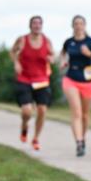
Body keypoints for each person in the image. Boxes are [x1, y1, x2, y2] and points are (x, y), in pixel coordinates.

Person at [59, 15, 91, 156]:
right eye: (76, 24)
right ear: (73, 26)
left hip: (88, 81)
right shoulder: (69, 42)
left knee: (84, 115)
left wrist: (89, 53)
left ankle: (83, 139)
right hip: (71, 79)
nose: (78, 26)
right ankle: (78, 142)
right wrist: (63, 62)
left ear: (85, 26)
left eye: (81, 23)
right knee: (76, 113)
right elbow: (62, 54)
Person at [11, 16, 55, 151]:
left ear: (42, 26)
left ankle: (35, 138)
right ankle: (24, 126)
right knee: (27, 111)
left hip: (42, 80)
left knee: (42, 110)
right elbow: (12, 51)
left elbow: (53, 55)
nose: (37, 26)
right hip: (24, 79)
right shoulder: (22, 40)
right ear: (30, 26)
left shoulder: (47, 41)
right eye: (34, 23)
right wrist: (16, 62)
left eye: (39, 23)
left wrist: (51, 59)